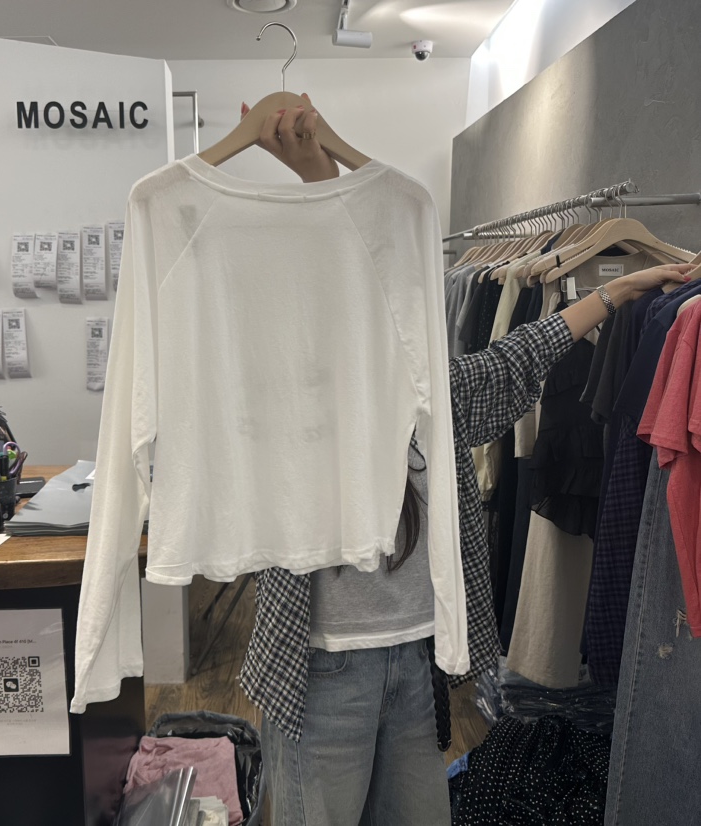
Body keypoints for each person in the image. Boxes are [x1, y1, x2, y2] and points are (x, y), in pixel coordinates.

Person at [236, 99, 694, 825]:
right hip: (322, 668)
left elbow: (521, 358)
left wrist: (617, 290)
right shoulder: (287, 396)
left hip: (418, 662)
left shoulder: (429, 390)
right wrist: (318, 175)